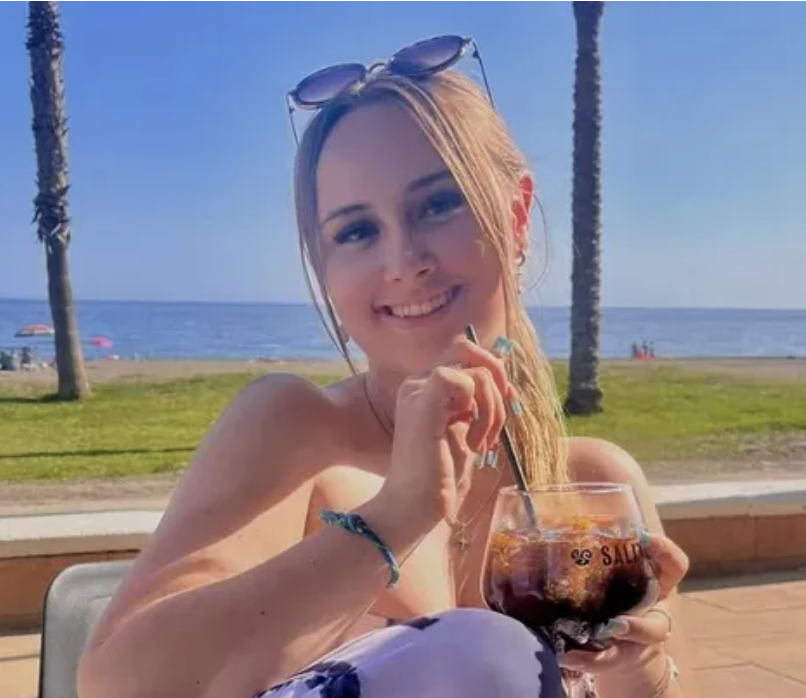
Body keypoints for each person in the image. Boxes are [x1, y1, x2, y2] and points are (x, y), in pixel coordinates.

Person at [78, 36, 693, 698]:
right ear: (325, 267)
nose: (404, 262)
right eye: (356, 231)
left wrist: (639, 669)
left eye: (439, 203)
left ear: (516, 217)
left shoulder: (592, 488)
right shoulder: (296, 434)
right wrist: (395, 517)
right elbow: (116, 686)